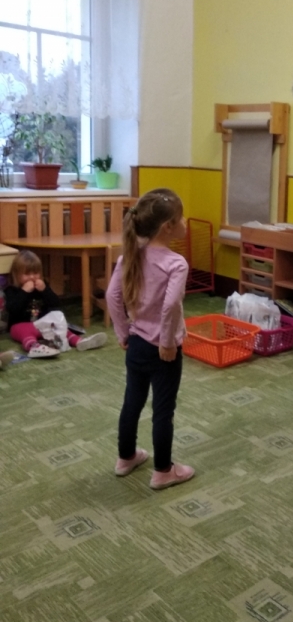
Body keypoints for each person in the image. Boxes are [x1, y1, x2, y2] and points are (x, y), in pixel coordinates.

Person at [106, 188, 195, 490]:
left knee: (132, 401)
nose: (185, 222)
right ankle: (163, 471)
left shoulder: (130, 256)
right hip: (163, 351)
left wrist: (123, 333)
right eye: (181, 218)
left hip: (136, 344)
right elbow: (170, 306)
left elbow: (112, 296)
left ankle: (126, 457)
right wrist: (167, 342)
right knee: (163, 410)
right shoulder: (176, 263)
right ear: (168, 227)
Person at [4, 250, 107, 358]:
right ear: (17, 275)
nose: (32, 277)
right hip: (20, 326)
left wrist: (45, 290)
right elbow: (12, 309)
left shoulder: (42, 287)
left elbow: (55, 304)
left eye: (35, 273)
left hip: (42, 326)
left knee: (59, 326)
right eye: (27, 274)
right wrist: (24, 292)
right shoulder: (12, 290)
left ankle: (79, 341)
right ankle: (34, 347)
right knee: (24, 331)